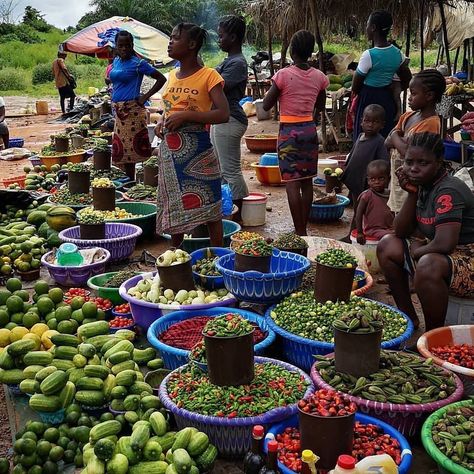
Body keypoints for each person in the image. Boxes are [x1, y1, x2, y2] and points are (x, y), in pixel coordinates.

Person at [377, 132, 474, 331]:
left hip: (468, 257)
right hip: (445, 256)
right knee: (388, 244)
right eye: (409, 161)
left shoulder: (448, 191)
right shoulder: (424, 185)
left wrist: (417, 251)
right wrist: (411, 193)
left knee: (428, 264)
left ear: (439, 162)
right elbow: (400, 230)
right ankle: (410, 320)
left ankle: (432, 335)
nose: (413, 168)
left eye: (423, 162)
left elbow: (445, 244)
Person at [155, 23, 230, 248]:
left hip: (198, 150)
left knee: (211, 206)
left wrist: (187, 116)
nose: (170, 41)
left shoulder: (209, 76)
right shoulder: (170, 77)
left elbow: (223, 113)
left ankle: (217, 257)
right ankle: (174, 255)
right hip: (171, 152)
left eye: (175, 38)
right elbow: (168, 110)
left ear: (191, 44)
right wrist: (161, 121)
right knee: (175, 204)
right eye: (170, 37)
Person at [263, 30, 329, 236]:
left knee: (292, 183)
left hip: (288, 131)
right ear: (310, 52)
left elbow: (266, 105)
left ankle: (299, 230)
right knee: (307, 180)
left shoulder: (283, 75)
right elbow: (320, 104)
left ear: (292, 51)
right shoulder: (320, 77)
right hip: (309, 130)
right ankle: (303, 229)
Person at [386, 69, 446, 213]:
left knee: (409, 216)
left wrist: (395, 135)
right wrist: (397, 139)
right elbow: (387, 142)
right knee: (396, 213)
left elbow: (408, 152)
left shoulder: (431, 123)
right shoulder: (407, 116)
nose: (409, 98)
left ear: (429, 96)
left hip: (414, 182)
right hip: (399, 179)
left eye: (414, 94)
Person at [109, 30, 166, 180]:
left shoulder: (138, 64)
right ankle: (129, 182)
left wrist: (144, 97)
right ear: (116, 46)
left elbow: (161, 79)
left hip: (132, 111)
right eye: (120, 45)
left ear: (132, 45)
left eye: (127, 45)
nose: (124, 49)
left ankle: (132, 183)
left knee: (130, 153)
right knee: (122, 151)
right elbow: (115, 78)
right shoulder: (116, 61)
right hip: (119, 111)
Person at [210, 15, 249, 222]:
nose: (219, 39)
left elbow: (215, 87)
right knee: (222, 171)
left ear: (233, 37)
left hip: (231, 119)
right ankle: (229, 212)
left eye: (221, 35)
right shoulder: (230, 61)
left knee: (230, 170)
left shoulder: (237, 64)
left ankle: (238, 216)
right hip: (222, 120)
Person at [351, 10, 411, 141]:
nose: (366, 28)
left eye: (367, 24)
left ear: (372, 28)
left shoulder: (369, 55)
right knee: (384, 137)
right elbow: (407, 79)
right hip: (387, 99)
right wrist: (396, 89)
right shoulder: (397, 54)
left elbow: (355, 86)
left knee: (365, 137)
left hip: (368, 99)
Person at [340, 104, 388, 241]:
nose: (370, 125)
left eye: (375, 122)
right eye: (367, 121)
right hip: (355, 182)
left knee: (361, 211)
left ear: (382, 125)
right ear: (361, 121)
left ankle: (356, 235)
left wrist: (377, 182)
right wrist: (345, 171)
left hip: (367, 184)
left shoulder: (379, 142)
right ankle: (352, 234)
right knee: (356, 209)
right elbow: (353, 155)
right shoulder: (360, 136)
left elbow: (383, 164)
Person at [355, 160, 394, 245]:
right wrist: (360, 232)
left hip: (389, 228)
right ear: (368, 180)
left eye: (381, 178)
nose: (377, 182)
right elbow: (358, 214)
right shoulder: (367, 195)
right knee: (394, 236)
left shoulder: (391, 194)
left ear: (389, 179)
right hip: (373, 229)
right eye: (373, 179)